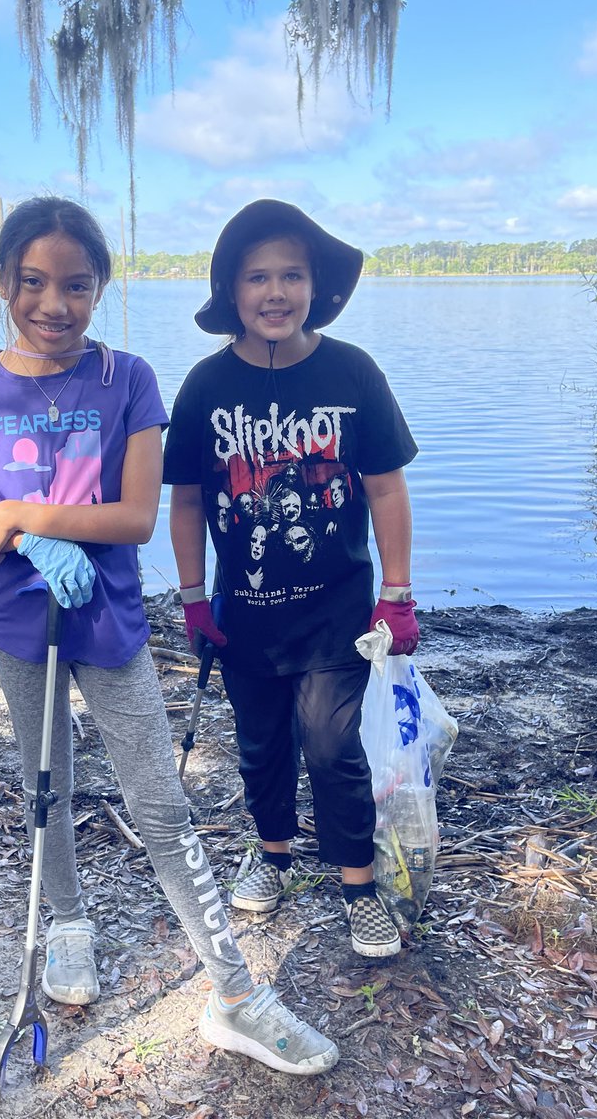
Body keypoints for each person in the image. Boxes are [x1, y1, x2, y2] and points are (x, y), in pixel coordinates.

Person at [0, 196, 339, 1075]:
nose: (54, 304)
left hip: (107, 624)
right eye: (32, 283)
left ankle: (234, 991)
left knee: (159, 803)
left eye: (76, 285)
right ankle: (67, 919)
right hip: (16, 624)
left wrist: (33, 514)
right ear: (3, 282)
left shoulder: (128, 379)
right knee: (49, 786)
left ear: (100, 288)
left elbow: (141, 516)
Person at [163, 199, 419, 958]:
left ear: (316, 286)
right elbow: (184, 502)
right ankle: (271, 855)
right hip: (244, 614)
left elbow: (385, 489)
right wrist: (193, 597)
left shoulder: (352, 372)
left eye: (292, 276)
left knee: (334, 746)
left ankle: (357, 884)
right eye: (257, 277)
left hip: (335, 611)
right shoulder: (205, 386)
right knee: (261, 742)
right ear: (231, 291)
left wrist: (396, 595)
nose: (275, 292)